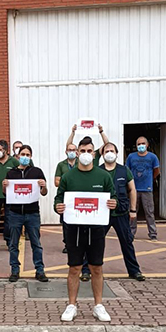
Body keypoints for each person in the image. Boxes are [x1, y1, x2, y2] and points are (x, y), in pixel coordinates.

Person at [54, 137, 118, 322]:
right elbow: (58, 199)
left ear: (94, 153)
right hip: (73, 228)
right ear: (77, 152)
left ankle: (98, 305)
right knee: (74, 268)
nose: (85, 154)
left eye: (89, 151)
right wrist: (58, 206)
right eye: (82, 151)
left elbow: (114, 198)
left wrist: (114, 203)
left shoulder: (103, 176)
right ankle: (71, 305)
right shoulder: (68, 177)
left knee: (96, 267)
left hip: (97, 229)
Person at [99, 142, 144, 281]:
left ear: (117, 153)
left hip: (121, 214)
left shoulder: (124, 170)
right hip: (102, 214)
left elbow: (132, 190)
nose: (109, 153)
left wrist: (133, 210)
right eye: (107, 151)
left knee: (127, 243)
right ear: (102, 154)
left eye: (112, 150)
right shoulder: (98, 171)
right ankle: (87, 270)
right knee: (95, 243)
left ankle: (134, 271)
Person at [3, 144, 48, 282]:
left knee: (36, 243)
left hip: (32, 213)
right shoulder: (11, 173)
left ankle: (39, 270)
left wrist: (44, 186)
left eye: (28, 155)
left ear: (31, 157)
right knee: (13, 243)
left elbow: (44, 193)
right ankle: (14, 270)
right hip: (15, 213)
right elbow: (6, 194)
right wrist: (4, 186)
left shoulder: (37, 172)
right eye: (23, 154)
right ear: (17, 156)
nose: (25, 157)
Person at [126, 136, 160, 241]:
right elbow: (127, 170)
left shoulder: (152, 157)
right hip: (134, 190)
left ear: (147, 145)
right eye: (138, 144)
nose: (141, 146)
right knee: (132, 212)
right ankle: (131, 233)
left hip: (147, 189)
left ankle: (152, 233)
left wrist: (150, 179)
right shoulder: (131, 157)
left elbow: (156, 171)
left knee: (149, 212)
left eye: (143, 143)